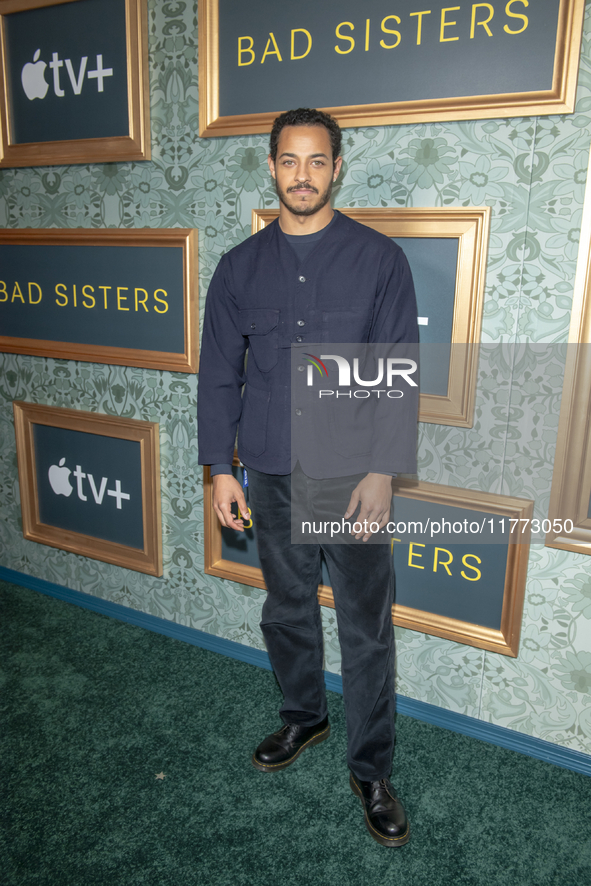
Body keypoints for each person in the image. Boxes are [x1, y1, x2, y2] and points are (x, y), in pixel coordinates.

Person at [198, 108, 418, 847]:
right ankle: (303, 717)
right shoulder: (237, 267)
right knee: (286, 609)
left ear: (337, 168)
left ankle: (372, 767)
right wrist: (217, 470)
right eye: (289, 161)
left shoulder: (379, 259)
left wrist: (383, 471)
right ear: (271, 166)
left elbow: (396, 376)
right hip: (266, 470)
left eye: (316, 162)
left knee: (364, 629)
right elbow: (217, 378)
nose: (302, 175)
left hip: (350, 475)